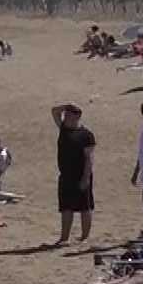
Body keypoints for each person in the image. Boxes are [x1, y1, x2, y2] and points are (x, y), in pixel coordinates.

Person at [54, 104, 95, 244]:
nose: (65, 118)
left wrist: (86, 178)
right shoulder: (64, 130)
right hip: (65, 175)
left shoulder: (86, 135)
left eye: (69, 116)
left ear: (77, 117)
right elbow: (54, 111)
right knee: (66, 207)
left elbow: (89, 158)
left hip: (81, 175)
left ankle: (85, 237)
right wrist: (66, 106)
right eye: (65, 116)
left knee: (85, 207)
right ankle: (64, 237)